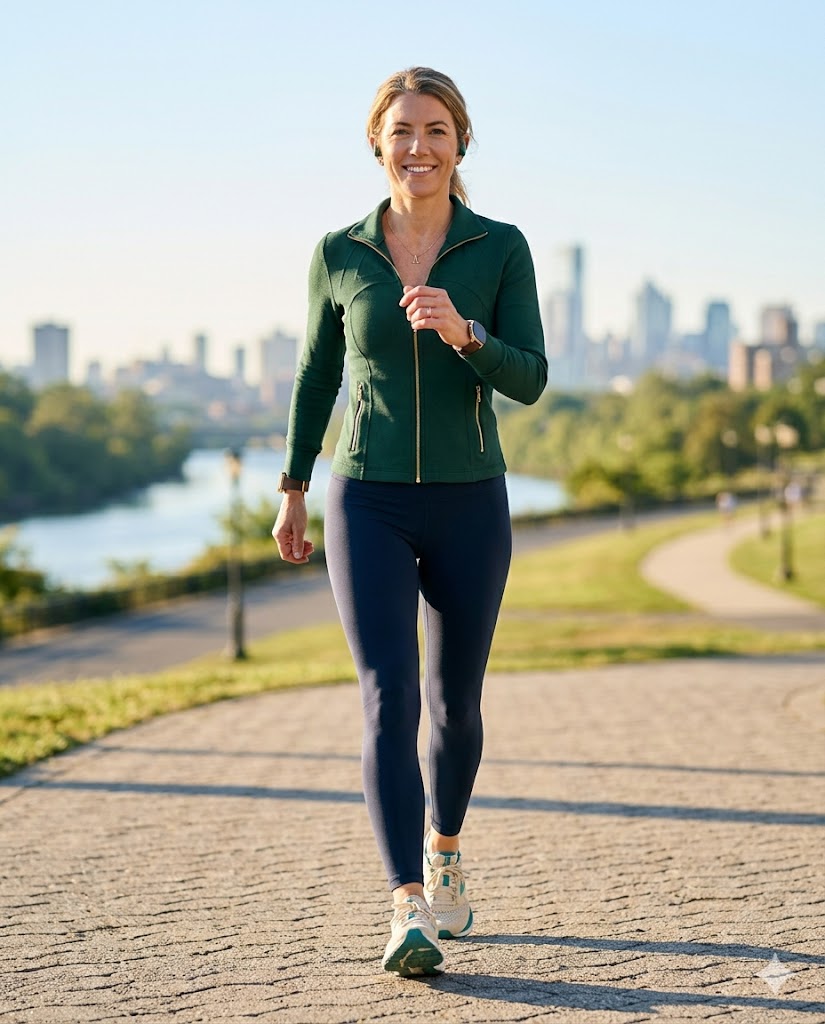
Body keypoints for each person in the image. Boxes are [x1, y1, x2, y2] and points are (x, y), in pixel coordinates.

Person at [272, 67, 547, 977]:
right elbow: (318, 376)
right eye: (401, 131)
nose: (418, 147)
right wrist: (292, 485)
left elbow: (530, 377)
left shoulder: (499, 248)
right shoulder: (340, 251)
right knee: (388, 696)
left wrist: (466, 333)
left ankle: (446, 848)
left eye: (435, 130)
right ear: (376, 144)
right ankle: (405, 908)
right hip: (368, 496)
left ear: (460, 143)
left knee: (452, 704)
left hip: (470, 497)